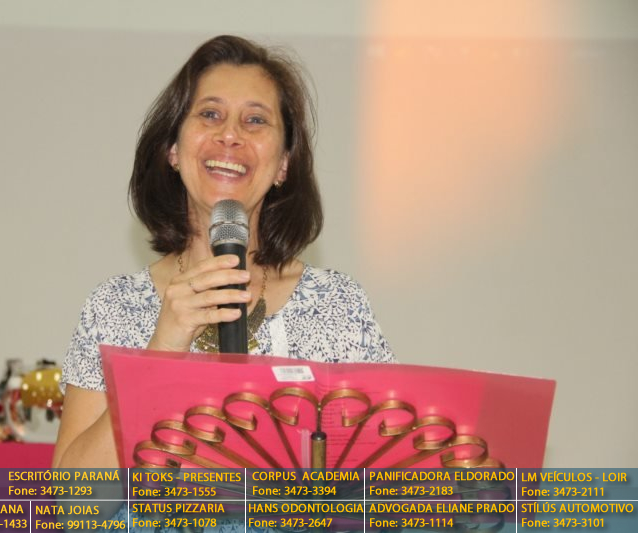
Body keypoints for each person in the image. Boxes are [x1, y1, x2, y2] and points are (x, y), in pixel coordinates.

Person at [53, 35, 396, 471]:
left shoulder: (339, 306)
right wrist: (161, 353)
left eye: (255, 120)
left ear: (283, 164)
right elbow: (75, 499)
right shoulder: (113, 308)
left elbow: (387, 474)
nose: (230, 135)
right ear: (173, 150)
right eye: (210, 114)